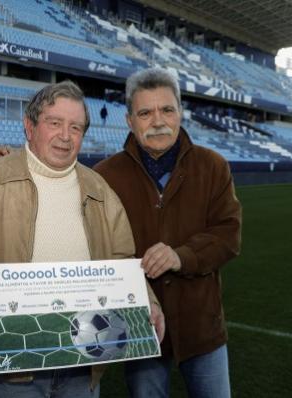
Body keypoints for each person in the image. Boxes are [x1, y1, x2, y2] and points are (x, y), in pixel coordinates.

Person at [0, 81, 165, 398]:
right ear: (29, 127)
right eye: (54, 123)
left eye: (76, 127)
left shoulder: (99, 190)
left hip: (82, 363)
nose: (66, 136)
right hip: (10, 366)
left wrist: (147, 301)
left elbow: (122, 260)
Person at [93, 67, 242, 398]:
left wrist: (181, 255)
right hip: (141, 327)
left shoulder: (213, 166)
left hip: (202, 325)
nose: (157, 120)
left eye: (167, 110)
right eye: (145, 112)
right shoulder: (104, 176)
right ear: (130, 120)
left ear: (180, 114)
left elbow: (228, 235)